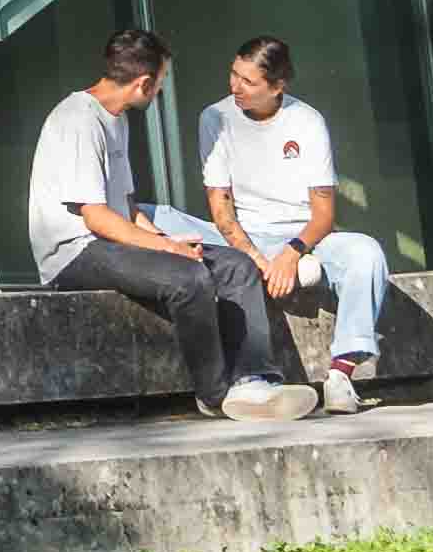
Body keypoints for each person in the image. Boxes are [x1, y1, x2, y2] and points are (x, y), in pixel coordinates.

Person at [24, 26, 318, 418]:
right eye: (161, 81)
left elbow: (127, 209)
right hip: (73, 253)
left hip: (111, 240)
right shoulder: (77, 120)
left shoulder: (117, 119)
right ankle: (215, 396)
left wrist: (169, 240)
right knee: (189, 279)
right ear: (144, 83)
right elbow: (95, 218)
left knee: (237, 265)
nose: (161, 90)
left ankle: (255, 381)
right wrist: (168, 250)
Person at [194, 34, 391, 385]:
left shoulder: (307, 121)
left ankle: (341, 373)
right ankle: (253, 380)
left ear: (277, 86)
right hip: (244, 237)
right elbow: (221, 211)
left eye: (248, 81)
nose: (235, 86)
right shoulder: (214, 117)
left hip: (303, 239)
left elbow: (324, 216)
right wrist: (254, 258)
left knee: (367, 252)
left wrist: (291, 254)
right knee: (155, 216)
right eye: (233, 74)